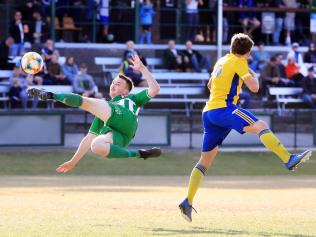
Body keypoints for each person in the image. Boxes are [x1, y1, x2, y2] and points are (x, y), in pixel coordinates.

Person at [179, 33, 312, 222]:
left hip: (209, 113)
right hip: (225, 109)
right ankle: (288, 159)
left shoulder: (222, 60)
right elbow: (255, 87)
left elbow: (210, 85)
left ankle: (187, 201)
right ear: (248, 53)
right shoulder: (240, 62)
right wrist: (252, 74)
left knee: (204, 161)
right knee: (261, 125)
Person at [27, 55, 161, 172]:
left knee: (89, 103)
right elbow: (88, 139)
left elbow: (155, 88)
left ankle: (51, 95)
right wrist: (73, 162)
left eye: (118, 84)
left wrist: (143, 68)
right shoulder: (104, 112)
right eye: (113, 82)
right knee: (95, 145)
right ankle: (140, 154)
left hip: (126, 118)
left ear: (126, 92)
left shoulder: (132, 98)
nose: (113, 85)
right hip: (122, 138)